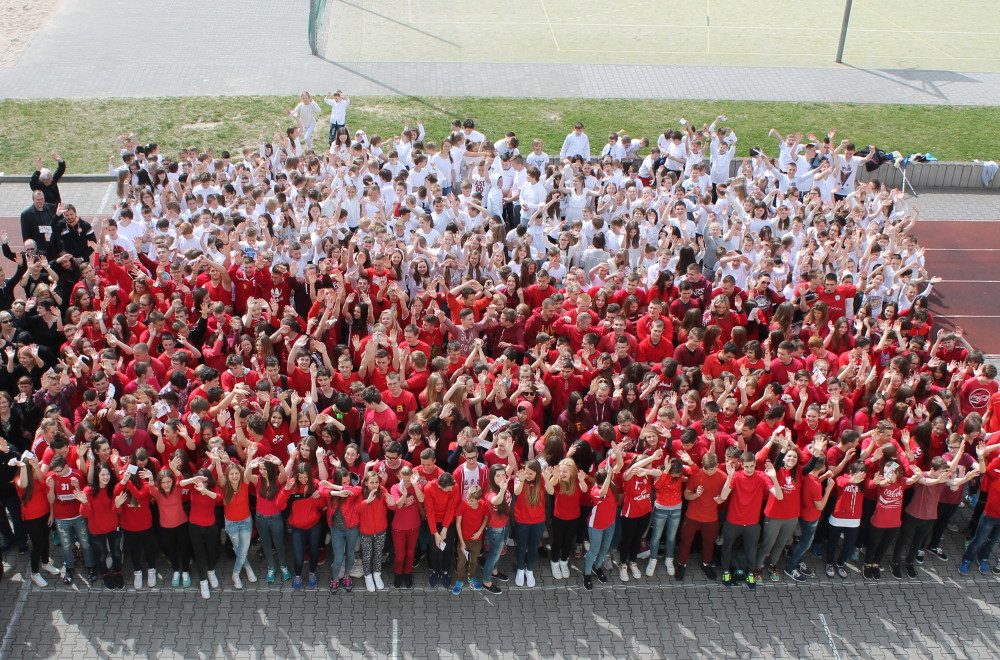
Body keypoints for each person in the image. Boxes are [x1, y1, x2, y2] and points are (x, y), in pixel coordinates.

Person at [717, 452, 782, 589]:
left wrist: (774, 478)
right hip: (733, 521)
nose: (749, 469)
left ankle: (751, 572)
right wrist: (729, 476)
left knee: (751, 550)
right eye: (746, 466)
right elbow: (723, 496)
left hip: (752, 523)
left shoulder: (762, 476)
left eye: (752, 466)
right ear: (741, 465)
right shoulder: (736, 476)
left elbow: (779, 496)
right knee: (727, 548)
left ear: (755, 464)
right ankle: (726, 571)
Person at [20, 190, 58, 256]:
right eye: (38, 199)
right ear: (33, 200)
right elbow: (25, 234)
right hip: (39, 249)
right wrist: (30, 251)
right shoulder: (26, 214)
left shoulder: (52, 207)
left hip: (53, 246)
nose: (40, 201)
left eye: (42, 199)